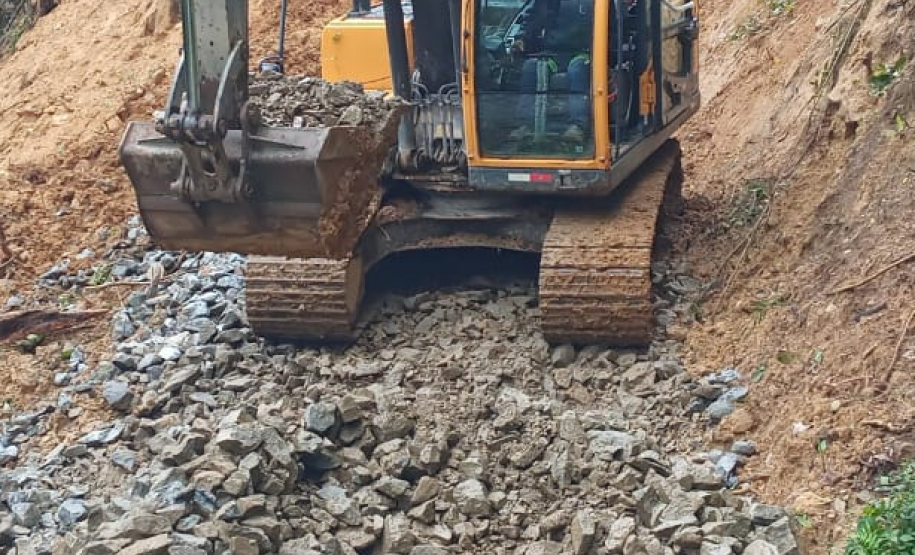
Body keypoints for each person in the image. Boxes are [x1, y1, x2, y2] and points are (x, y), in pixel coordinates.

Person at [511, 0, 593, 142]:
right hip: (554, 54)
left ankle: (577, 125)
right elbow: (533, 18)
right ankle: (525, 125)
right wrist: (522, 38)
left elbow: (611, 28)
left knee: (577, 69)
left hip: (583, 53)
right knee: (531, 67)